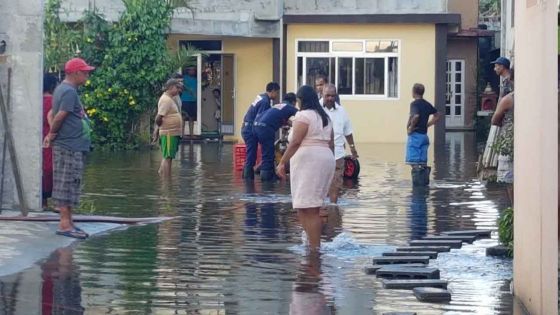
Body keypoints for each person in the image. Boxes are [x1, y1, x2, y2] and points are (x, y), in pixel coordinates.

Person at [276, 85, 335, 251]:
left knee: (307, 207)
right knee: (310, 207)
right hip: (325, 157)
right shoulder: (325, 117)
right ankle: (312, 245)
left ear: (300, 100)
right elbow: (331, 142)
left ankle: (314, 249)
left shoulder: (303, 116)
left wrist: (282, 163)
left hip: (309, 160)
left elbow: (295, 142)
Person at [43, 58, 95, 239]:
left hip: (72, 145)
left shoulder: (65, 90)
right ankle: (65, 224)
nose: (87, 75)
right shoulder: (68, 91)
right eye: (85, 72)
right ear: (75, 73)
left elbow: (52, 113)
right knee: (66, 184)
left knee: (71, 183)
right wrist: (52, 134)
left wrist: (53, 134)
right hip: (69, 146)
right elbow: (59, 116)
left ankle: (69, 222)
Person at [321, 84, 358, 204]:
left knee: (336, 182)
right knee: (320, 183)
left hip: (338, 154)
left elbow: (348, 131)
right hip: (320, 154)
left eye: (332, 96)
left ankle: (333, 208)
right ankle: (321, 208)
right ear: (322, 94)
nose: (330, 98)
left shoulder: (342, 111)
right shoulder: (316, 110)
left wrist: (352, 148)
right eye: (327, 96)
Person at [253, 92, 298, 181]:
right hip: (265, 128)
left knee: (267, 153)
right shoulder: (291, 107)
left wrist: (289, 124)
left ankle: (264, 172)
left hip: (256, 127)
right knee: (268, 155)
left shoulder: (278, 105)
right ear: (294, 102)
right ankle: (267, 180)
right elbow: (302, 117)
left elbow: (275, 117)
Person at [241, 82, 280, 180]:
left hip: (247, 127)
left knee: (251, 154)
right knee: (251, 155)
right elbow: (261, 119)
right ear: (273, 91)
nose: (277, 95)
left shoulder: (261, 97)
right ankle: (248, 180)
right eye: (277, 92)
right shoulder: (265, 102)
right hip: (250, 129)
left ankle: (248, 181)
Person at [405, 83, 441, 185]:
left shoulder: (414, 104)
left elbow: (415, 116)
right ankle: (424, 181)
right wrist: (427, 125)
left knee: (415, 163)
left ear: (413, 92)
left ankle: (418, 187)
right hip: (424, 137)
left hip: (416, 136)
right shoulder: (427, 104)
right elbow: (438, 115)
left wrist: (411, 128)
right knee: (422, 163)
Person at [155, 78, 184, 177]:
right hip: (168, 133)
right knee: (167, 157)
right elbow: (158, 118)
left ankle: (164, 177)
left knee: (169, 156)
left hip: (172, 132)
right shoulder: (166, 100)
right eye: (177, 88)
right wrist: (160, 129)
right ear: (171, 87)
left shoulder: (170, 98)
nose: (179, 90)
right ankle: (167, 181)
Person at [42, 74, 57, 211]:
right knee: (49, 168)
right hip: (49, 139)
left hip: (36, 137)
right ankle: (47, 201)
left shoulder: (35, 100)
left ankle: (43, 201)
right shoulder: (54, 101)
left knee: (41, 168)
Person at [181, 67, 197, 138]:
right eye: (191, 70)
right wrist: (188, 89)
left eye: (193, 70)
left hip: (193, 100)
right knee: (183, 117)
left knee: (192, 117)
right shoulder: (184, 78)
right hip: (185, 100)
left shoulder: (196, 79)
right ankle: (182, 134)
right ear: (188, 71)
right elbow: (181, 85)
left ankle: (192, 134)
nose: (193, 71)